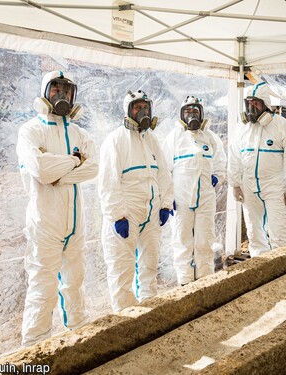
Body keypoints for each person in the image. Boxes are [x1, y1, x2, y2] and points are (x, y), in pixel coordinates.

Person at [16, 70, 98, 346]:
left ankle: (78, 339)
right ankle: (33, 349)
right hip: (45, 223)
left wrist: (58, 172)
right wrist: (74, 161)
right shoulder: (30, 130)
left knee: (74, 284)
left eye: (67, 90)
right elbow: (39, 168)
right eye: (56, 89)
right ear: (45, 91)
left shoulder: (79, 132)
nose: (61, 95)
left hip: (75, 223)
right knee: (43, 287)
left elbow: (94, 167)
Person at [98, 89, 174, 312]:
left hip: (150, 214)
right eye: (136, 108)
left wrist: (165, 204)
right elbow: (108, 182)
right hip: (126, 215)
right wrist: (117, 216)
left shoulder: (152, 140)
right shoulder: (115, 141)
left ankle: (150, 311)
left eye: (145, 107)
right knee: (122, 271)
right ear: (127, 111)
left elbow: (163, 174)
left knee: (149, 266)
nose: (142, 112)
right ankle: (125, 319)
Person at [228, 82, 286, 257]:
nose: (252, 108)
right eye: (249, 104)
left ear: (266, 105)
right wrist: (235, 184)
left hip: (274, 185)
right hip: (248, 185)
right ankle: (260, 266)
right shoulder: (242, 128)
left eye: (256, 104)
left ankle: (284, 268)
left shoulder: (280, 124)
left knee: (279, 231)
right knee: (254, 231)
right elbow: (234, 157)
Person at [162, 96, 227, 285]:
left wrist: (216, 177)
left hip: (206, 199)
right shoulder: (174, 138)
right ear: (182, 115)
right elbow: (164, 169)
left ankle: (204, 281)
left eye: (195, 111)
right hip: (181, 200)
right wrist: (168, 197)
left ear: (201, 114)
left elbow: (220, 164)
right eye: (188, 112)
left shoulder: (210, 138)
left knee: (204, 242)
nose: (192, 115)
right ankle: (185, 283)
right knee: (182, 242)